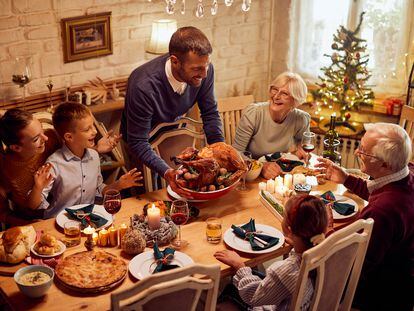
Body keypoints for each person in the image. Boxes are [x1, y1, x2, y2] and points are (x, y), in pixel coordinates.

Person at [316, 123, 414, 311]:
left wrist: (327, 231)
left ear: (385, 164)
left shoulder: (381, 213)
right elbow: (384, 191)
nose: (356, 153)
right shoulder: (407, 171)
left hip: (383, 294)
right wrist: (346, 179)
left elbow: (350, 265)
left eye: (363, 151)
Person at [121, 26, 224, 197]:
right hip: (140, 142)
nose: (205, 74)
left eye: (207, 65)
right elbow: (138, 141)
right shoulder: (143, 86)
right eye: (197, 69)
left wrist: (220, 149)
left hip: (173, 134)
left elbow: (210, 113)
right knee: (151, 194)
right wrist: (166, 172)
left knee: (183, 188)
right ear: (175, 61)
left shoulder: (204, 69)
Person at [0, 108, 121, 224]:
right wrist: (28, 224)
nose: (45, 138)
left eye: (42, 131)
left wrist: (94, 149)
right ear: (16, 147)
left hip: (63, 215)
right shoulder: (4, 170)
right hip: (31, 222)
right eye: (36, 139)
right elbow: (2, 214)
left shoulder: (52, 138)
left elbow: (70, 156)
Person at [214, 194, 328, 310]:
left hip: (269, 305)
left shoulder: (286, 270)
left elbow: (253, 297)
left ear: (289, 229)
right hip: (299, 303)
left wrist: (239, 266)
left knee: (229, 290)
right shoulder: (321, 249)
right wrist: (296, 242)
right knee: (248, 276)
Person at [35, 102, 142, 218]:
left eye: (93, 126)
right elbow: (36, 204)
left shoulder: (94, 156)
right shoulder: (54, 164)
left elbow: (99, 190)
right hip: (60, 220)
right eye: (87, 129)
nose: (95, 132)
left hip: (87, 219)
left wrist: (119, 184)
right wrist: (37, 187)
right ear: (69, 137)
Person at [233, 72, 310, 180]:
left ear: (295, 100)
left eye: (284, 93)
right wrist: (261, 167)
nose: (276, 96)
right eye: (275, 89)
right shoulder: (254, 114)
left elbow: (304, 148)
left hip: (281, 176)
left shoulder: (301, 119)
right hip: (251, 176)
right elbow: (236, 153)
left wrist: (301, 151)